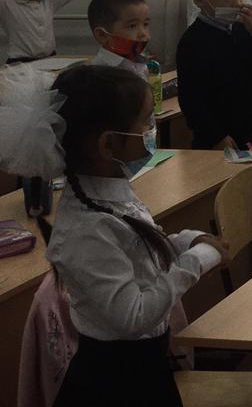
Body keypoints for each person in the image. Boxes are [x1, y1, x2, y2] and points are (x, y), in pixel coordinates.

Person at [39, 65, 230, 407]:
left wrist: (189, 240)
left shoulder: (112, 194)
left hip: (145, 368)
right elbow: (133, 316)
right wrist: (196, 262)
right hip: (115, 383)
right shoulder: (87, 229)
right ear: (108, 144)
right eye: (145, 122)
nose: (152, 130)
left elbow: (143, 250)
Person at [175, 0, 252, 150]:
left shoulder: (242, 29)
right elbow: (191, 98)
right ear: (199, 0)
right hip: (215, 138)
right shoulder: (193, 41)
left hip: (246, 130)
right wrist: (215, 136)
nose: (237, 3)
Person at [87, 0, 151, 81]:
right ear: (102, 35)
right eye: (132, 26)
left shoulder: (136, 58)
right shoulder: (102, 76)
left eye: (145, 24)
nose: (143, 33)